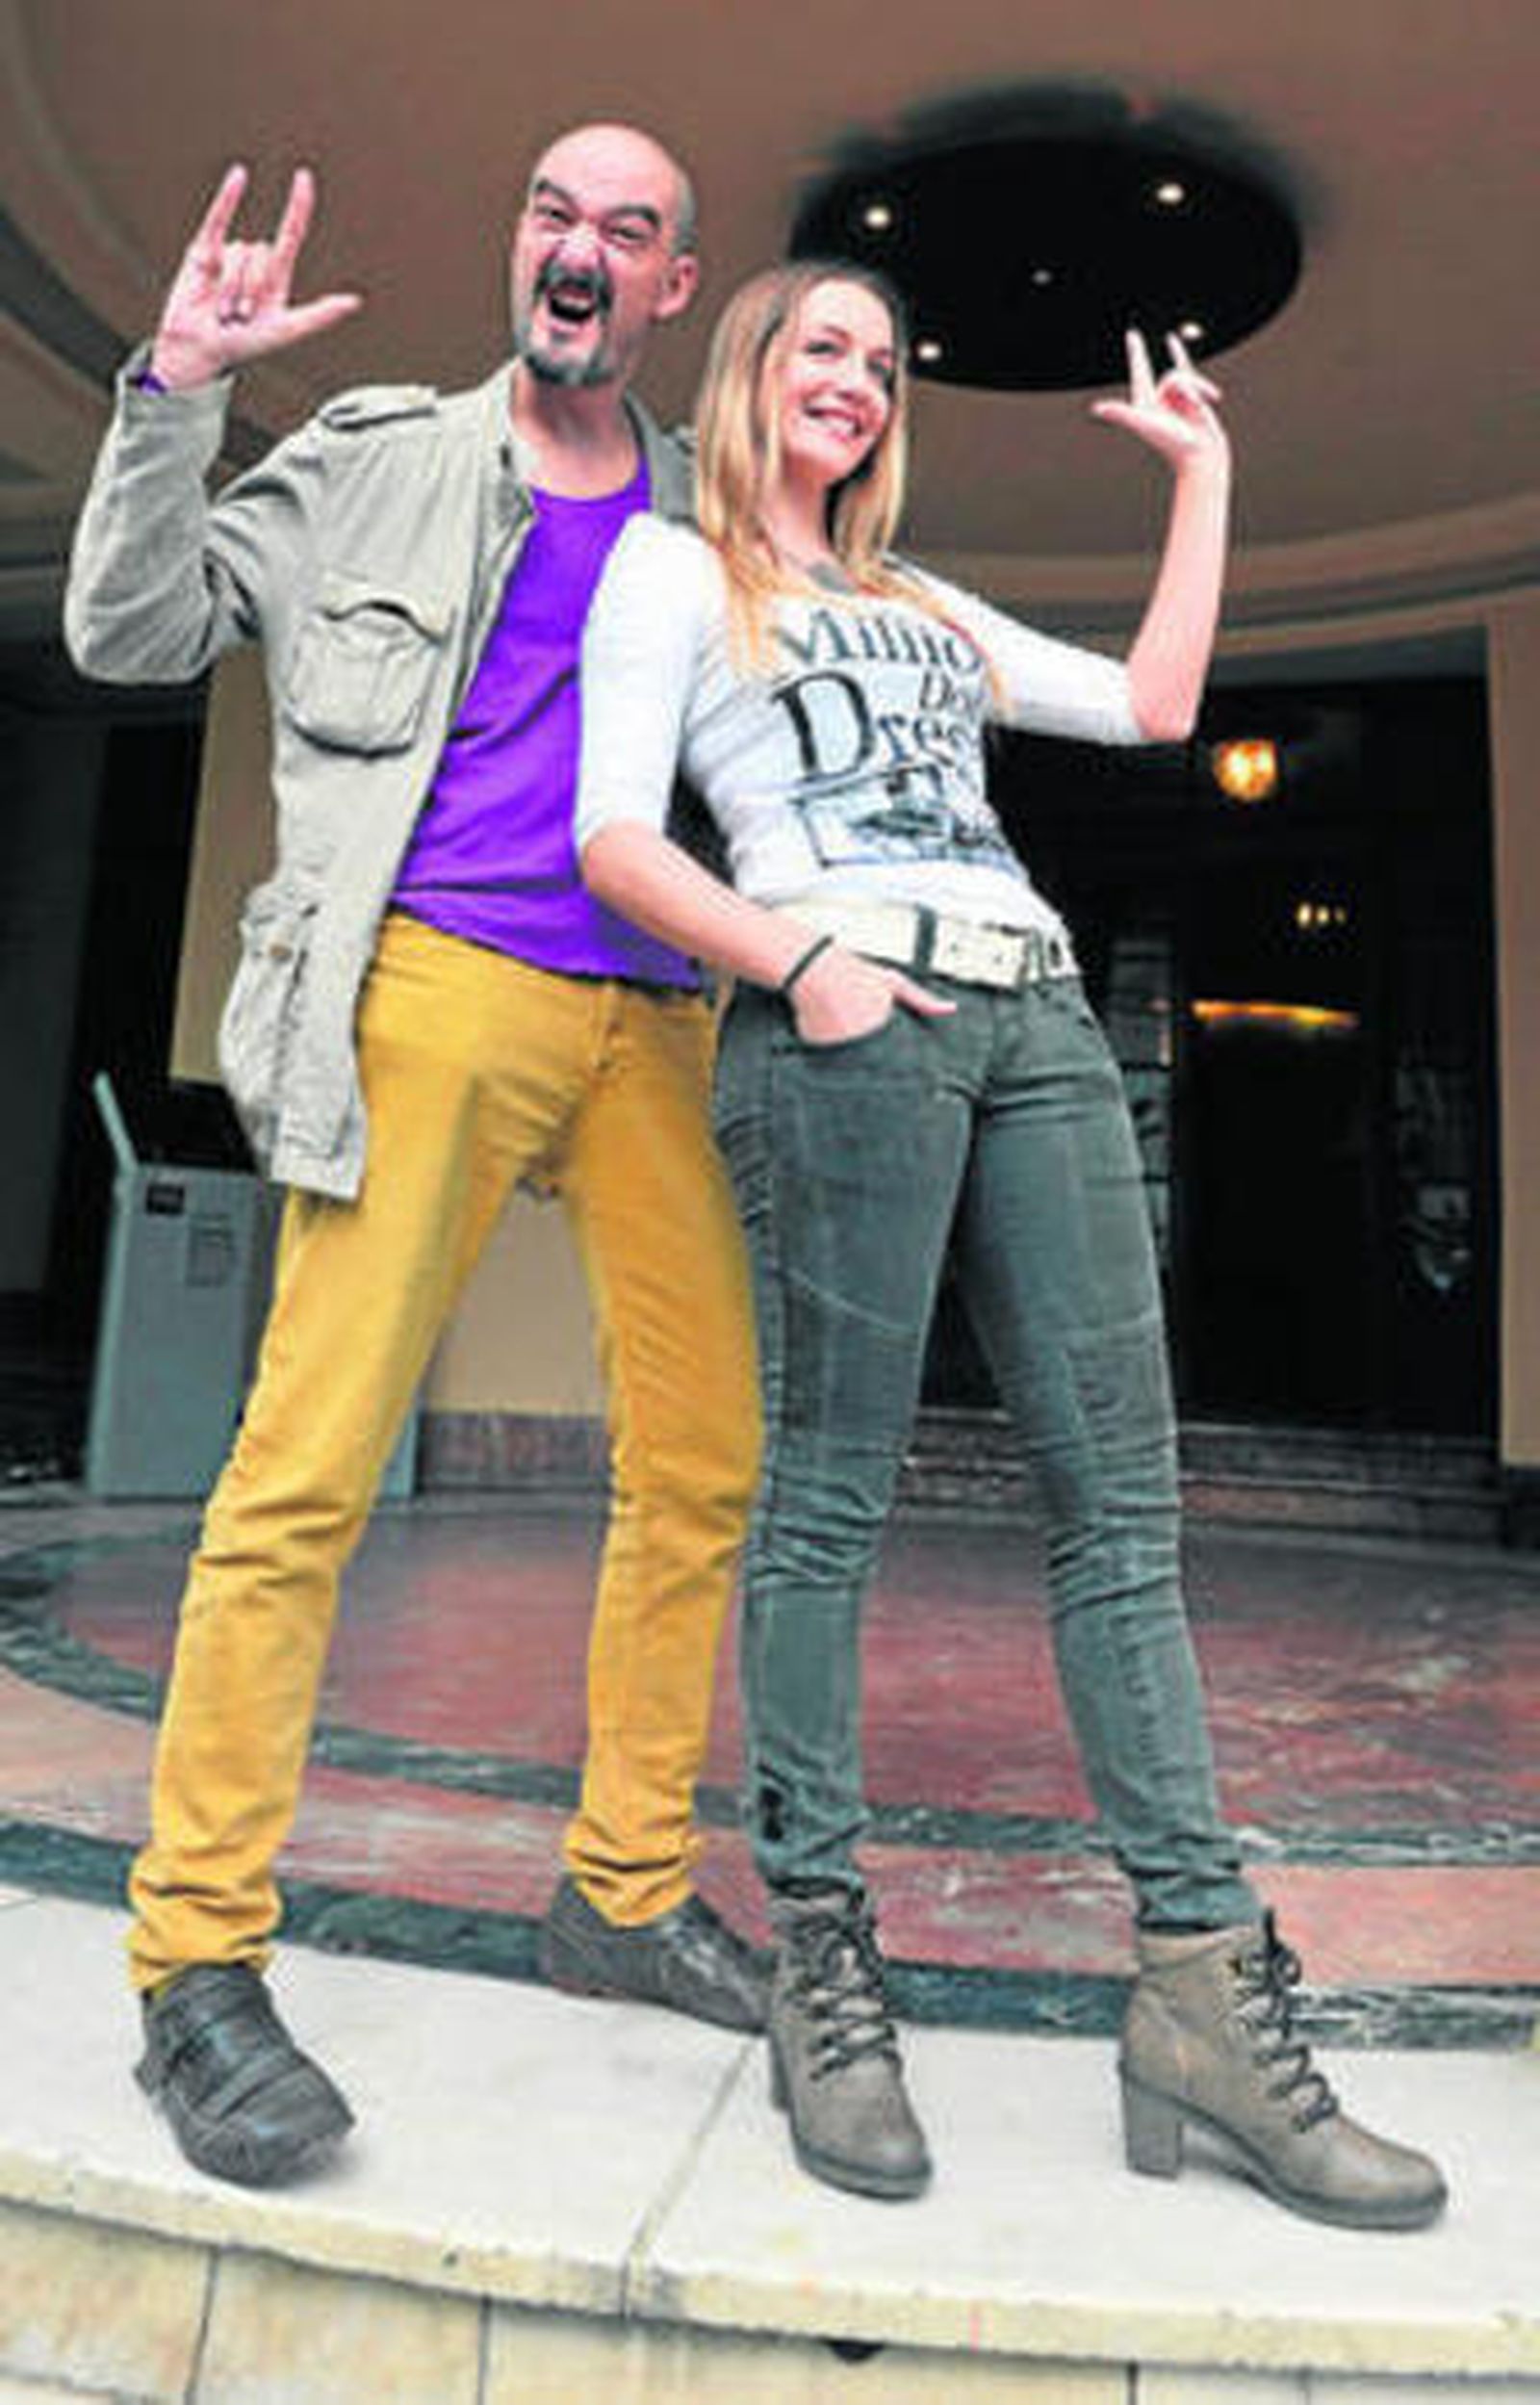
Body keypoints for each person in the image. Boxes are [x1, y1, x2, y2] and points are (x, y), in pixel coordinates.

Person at [573, 260, 1449, 2228]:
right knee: (828, 1499)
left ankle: (1202, 1991)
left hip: (1037, 1020)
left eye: (882, 364)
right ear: (749, 370)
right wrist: (798, 963)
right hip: (847, 1020)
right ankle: (822, 1960)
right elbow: (612, 839)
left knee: (1120, 1509)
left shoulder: (921, 604)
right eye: (822, 348)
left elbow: (1151, 705)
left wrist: (1198, 478)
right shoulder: (668, 573)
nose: (857, 383)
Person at [63, 124, 767, 2189]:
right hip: (434, 980)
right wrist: (174, 391)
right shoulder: (374, 455)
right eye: (553, 210)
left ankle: (622, 1887)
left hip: (655, 1016)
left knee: (705, 1455)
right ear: (519, 244)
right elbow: (135, 630)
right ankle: (196, 1959)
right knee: (306, 1472)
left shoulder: (711, 515)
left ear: (669, 284)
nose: (580, 248)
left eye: (627, 228)